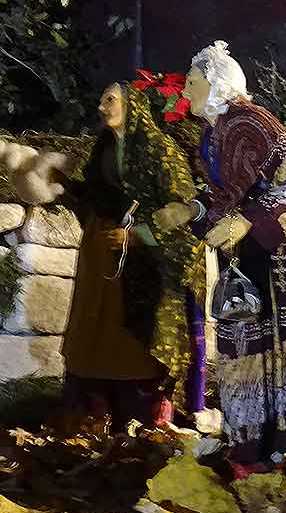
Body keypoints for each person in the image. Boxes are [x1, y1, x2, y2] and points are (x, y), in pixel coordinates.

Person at [154, 41, 286, 473]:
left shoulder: (249, 122)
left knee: (275, 342)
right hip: (249, 252)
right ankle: (252, 441)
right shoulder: (216, 133)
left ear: (217, 82)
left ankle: (283, 442)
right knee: (244, 340)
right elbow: (224, 197)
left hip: (278, 251)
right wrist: (192, 210)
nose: (187, 92)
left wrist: (249, 221)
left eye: (194, 82)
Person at [37, 85, 204, 427]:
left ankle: (140, 415)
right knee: (94, 331)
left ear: (133, 106)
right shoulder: (104, 149)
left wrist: (138, 236)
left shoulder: (160, 149)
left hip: (140, 265)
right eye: (100, 99)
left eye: (109, 99)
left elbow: (180, 206)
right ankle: (92, 414)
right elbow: (98, 200)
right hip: (100, 261)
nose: (101, 106)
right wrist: (65, 184)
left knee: (132, 338)